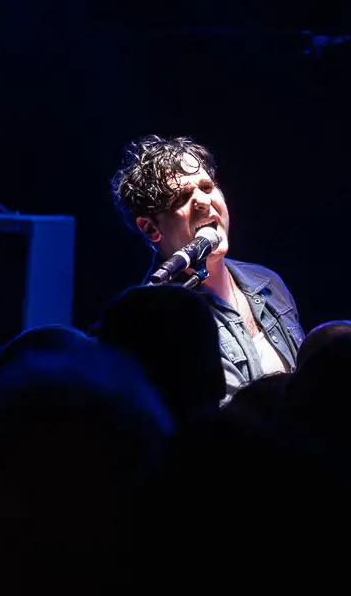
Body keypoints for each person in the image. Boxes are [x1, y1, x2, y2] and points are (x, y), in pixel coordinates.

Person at [111, 134, 304, 405]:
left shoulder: (268, 282)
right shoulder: (156, 321)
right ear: (150, 228)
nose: (203, 201)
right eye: (182, 197)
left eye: (206, 186)